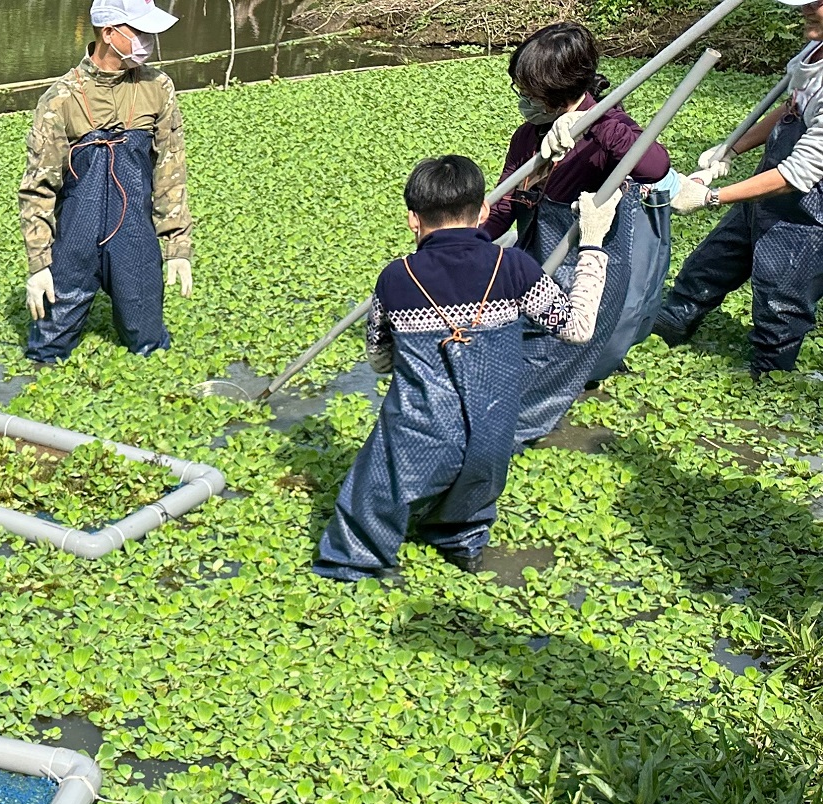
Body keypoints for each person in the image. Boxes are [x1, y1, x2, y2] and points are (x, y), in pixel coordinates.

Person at [315, 157, 617, 582]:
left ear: (412, 220)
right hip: (492, 437)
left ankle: (352, 570)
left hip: (416, 438)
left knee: (368, 504)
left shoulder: (396, 278)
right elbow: (578, 327)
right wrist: (592, 244)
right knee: (471, 503)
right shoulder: (513, 267)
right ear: (482, 213)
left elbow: (380, 361)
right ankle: (460, 543)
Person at [484, 22, 674, 444]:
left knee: (548, 366)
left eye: (531, 95)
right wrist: (465, 239)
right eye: (521, 92)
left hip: (589, 268)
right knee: (518, 354)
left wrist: (589, 123)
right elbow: (505, 203)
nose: (524, 102)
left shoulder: (609, 130)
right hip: (538, 262)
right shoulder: (528, 136)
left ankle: (512, 441)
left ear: (561, 91)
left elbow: (655, 168)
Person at [653, 0, 823, 378]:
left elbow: (797, 175)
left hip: (807, 216)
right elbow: (792, 108)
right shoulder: (814, 51)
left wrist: (710, 197)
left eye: (817, 2)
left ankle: (770, 384)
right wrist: (732, 147)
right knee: (705, 269)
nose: (805, 10)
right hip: (764, 198)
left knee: (780, 306)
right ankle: (661, 334)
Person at [18, 0, 192, 366]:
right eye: (140, 33)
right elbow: (38, 187)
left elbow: (170, 170)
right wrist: (38, 265)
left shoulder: (157, 87)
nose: (150, 41)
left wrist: (177, 246)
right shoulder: (60, 99)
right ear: (109, 33)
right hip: (74, 241)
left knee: (150, 348)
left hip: (134, 239)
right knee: (45, 353)